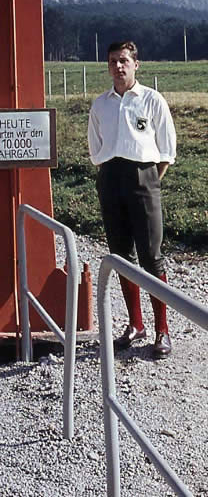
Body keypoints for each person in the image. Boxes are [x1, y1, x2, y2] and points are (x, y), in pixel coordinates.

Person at [88, 41, 176, 359]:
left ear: (136, 64)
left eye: (124, 60)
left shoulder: (152, 100)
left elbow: (166, 150)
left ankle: (162, 330)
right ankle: (135, 324)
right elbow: (96, 149)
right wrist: (112, 178)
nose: (118, 66)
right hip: (110, 179)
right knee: (121, 255)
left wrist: (147, 181)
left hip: (144, 179)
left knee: (151, 257)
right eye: (112, 61)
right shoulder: (101, 105)